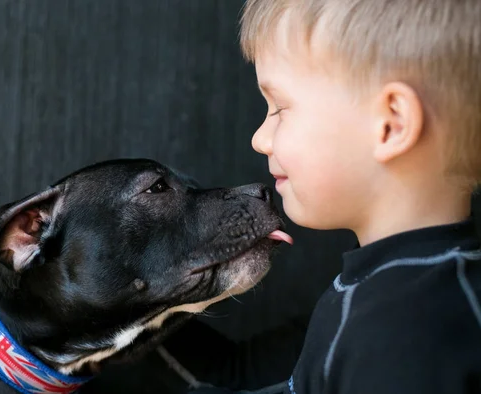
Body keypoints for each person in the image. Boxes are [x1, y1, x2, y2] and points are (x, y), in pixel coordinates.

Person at [161, 0, 481, 393]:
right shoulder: (397, 290)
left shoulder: (407, 336)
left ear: (390, 125)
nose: (259, 139)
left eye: (279, 108)